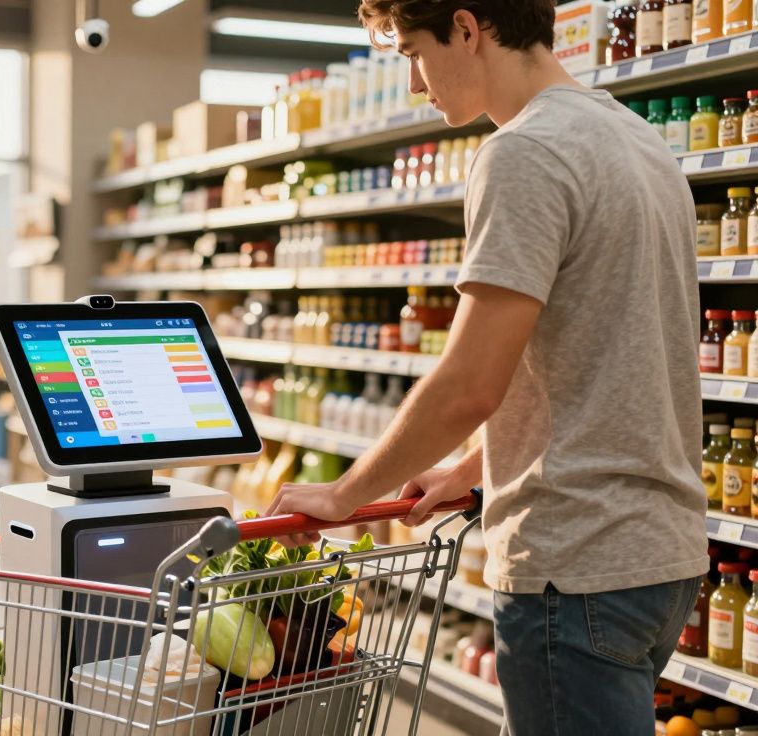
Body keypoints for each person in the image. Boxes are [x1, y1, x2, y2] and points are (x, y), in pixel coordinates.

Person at [265, 1, 708, 733]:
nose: (414, 82)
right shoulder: (636, 139)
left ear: (467, 29)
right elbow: (595, 354)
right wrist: (472, 469)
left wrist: (345, 493)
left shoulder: (524, 151)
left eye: (412, 51)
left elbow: (470, 383)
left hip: (575, 563)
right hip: (659, 555)